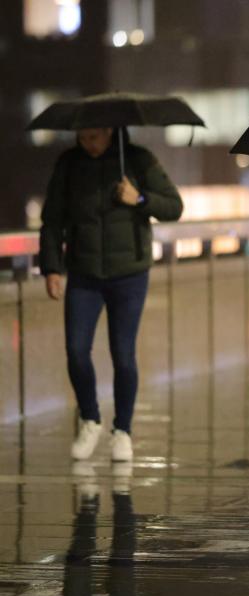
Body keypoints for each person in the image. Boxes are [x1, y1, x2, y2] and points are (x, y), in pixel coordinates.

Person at [40, 127, 183, 462]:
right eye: (82, 136)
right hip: (83, 272)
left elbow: (174, 206)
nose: (88, 142)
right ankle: (90, 418)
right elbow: (52, 219)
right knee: (76, 350)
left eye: (95, 136)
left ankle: (123, 431)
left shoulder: (137, 160)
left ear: (110, 132)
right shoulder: (69, 164)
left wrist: (140, 199)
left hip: (129, 273)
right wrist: (51, 267)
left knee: (123, 354)